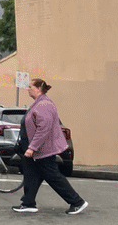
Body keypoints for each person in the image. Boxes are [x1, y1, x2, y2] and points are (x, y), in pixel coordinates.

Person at [14, 78, 87, 215]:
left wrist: (32, 147)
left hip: (43, 150)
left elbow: (44, 128)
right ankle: (28, 203)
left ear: (38, 88)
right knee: (31, 174)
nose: (27, 89)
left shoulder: (44, 104)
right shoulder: (39, 102)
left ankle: (77, 202)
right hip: (38, 150)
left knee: (53, 176)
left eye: (30, 86)